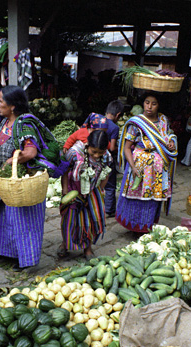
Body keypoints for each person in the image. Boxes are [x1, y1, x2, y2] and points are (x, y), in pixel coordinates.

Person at [0, 86, 49, 271]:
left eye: (1, 101)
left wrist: (11, 162)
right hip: (3, 176)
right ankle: (2, 250)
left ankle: (24, 258)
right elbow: (1, 147)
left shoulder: (25, 124)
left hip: (19, 178)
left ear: (12, 106)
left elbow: (30, 151)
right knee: (0, 215)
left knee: (20, 219)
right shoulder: (3, 122)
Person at [115, 92, 178, 233]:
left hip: (158, 167)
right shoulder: (136, 123)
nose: (149, 107)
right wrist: (133, 167)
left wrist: (171, 143)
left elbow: (168, 136)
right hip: (141, 166)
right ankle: (135, 227)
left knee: (153, 198)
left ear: (159, 105)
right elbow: (126, 148)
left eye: (154, 103)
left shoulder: (163, 120)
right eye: (147, 102)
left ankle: (148, 226)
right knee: (138, 196)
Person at [58, 130, 112, 260]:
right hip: (73, 189)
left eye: (100, 152)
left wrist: (99, 192)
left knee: (90, 220)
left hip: (93, 191)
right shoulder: (74, 153)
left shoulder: (107, 157)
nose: (97, 155)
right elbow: (65, 171)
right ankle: (65, 244)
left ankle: (87, 249)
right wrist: (65, 190)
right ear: (87, 145)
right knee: (69, 220)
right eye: (94, 152)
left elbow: (106, 174)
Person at [103, 100, 124, 216]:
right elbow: (112, 148)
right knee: (110, 185)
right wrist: (121, 149)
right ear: (118, 115)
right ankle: (109, 210)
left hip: (95, 157)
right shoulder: (114, 128)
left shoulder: (98, 120)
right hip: (107, 159)